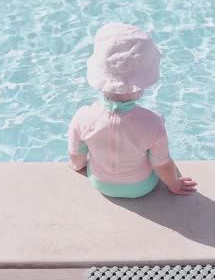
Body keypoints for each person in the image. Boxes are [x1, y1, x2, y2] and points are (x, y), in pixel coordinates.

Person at [67, 22, 197, 198]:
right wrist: (175, 185)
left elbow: (77, 158)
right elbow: (161, 164)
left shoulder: (82, 117)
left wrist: (77, 166)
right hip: (142, 186)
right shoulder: (153, 123)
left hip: (100, 183)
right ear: (141, 84)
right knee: (166, 160)